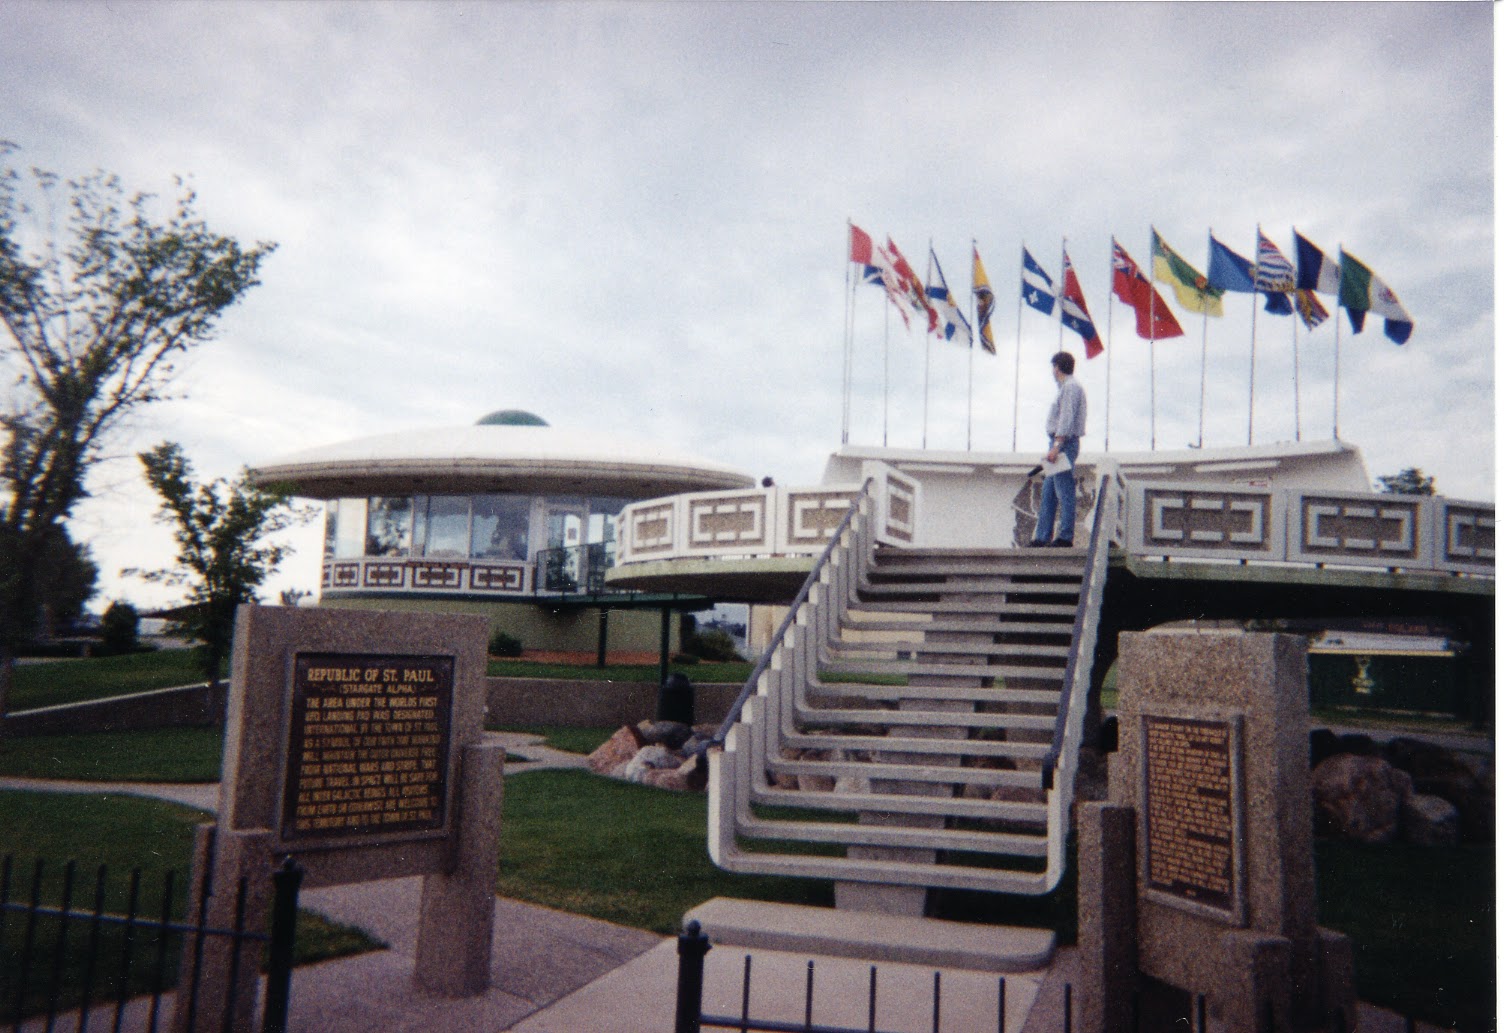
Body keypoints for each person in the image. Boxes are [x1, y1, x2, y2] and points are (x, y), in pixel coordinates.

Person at [1030, 351, 1086, 547]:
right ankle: (1042, 536)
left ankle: (1065, 536)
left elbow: (1066, 418)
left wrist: (1056, 445)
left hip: (1064, 443)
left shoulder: (1070, 387)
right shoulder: (1068, 387)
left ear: (1057, 367)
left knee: (1064, 490)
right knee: (1049, 492)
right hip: (1060, 442)